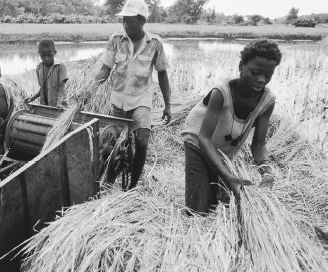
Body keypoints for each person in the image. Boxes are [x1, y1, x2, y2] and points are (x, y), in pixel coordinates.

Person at [181, 40, 282, 214]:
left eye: (268, 75)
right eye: (255, 72)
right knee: (199, 208)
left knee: (224, 203)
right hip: (198, 142)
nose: (261, 80)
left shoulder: (267, 101)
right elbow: (204, 138)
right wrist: (227, 175)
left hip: (224, 151)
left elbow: (258, 144)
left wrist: (266, 170)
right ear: (241, 66)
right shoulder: (221, 92)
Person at [89, 0, 172, 190]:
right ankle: (109, 177)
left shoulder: (155, 44)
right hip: (118, 101)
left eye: (130, 21)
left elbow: (162, 74)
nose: (126, 25)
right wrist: (89, 90)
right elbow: (105, 69)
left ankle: (132, 186)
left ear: (142, 21)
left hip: (140, 101)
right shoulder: (116, 40)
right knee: (110, 143)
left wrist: (167, 105)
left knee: (142, 140)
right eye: (124, 20)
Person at [24, 39, 69, 108]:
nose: (46, 58)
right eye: (43, 56)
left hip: (60, 108)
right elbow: (43, 88)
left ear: (55, 52)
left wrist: (59, 103)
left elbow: (61, 87)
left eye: (49, 55)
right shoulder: (39, 68)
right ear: (39, 53)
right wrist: (32, 98)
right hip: (44, 107)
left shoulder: (60, 67)